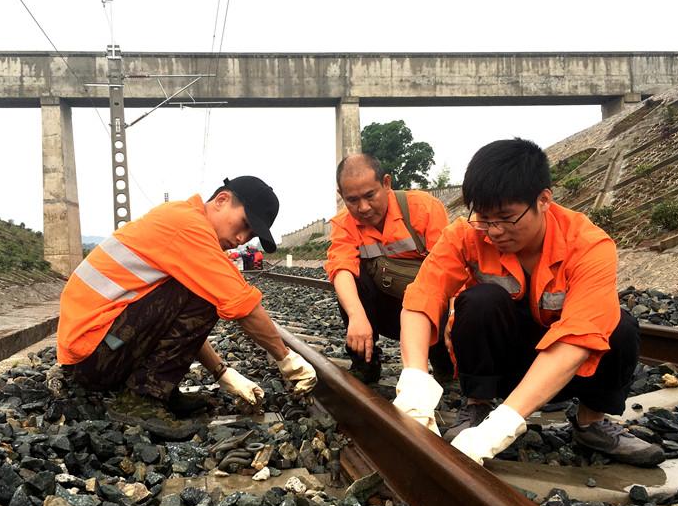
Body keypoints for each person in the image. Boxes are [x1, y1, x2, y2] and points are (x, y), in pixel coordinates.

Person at [398, 138, 664, 467]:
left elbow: (578, 336)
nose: (493, 231)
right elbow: (423, 295)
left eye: (505, 217)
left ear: (543, 200)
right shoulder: (467, 234)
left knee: (618, 324)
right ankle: (477, 406)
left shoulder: (588, 245)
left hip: (567, 372)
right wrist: (413, 375)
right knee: (480, 300)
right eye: (483, 216)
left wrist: (505, 424)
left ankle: (591, 422)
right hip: (505, 365)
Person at [56, 176, 317, 415]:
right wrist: (287, 360)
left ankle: (157, 391)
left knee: (204, 290)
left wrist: (221, 372)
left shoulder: (183, 221)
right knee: (210, 293)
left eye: (250, 235)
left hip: (97, 354)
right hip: (92, 358)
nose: (241, 238)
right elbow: (243, 306)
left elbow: (170, 322)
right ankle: (143, 399)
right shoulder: (187, 227)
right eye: (245, 225)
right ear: (222, 200)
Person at [325, 153, 450, 384]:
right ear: (341, 196)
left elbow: (449, 269)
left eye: (370, 195)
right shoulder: (344, 224)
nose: (363, 207)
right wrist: (356, 316)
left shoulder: (423, 208)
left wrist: (452, 318)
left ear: (386, 183)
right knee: (351, 278)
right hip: (389, 313)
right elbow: (340, 268)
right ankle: (365, 363)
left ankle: (444, 361)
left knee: (450, 311)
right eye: (352, 200)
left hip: (431, 310)